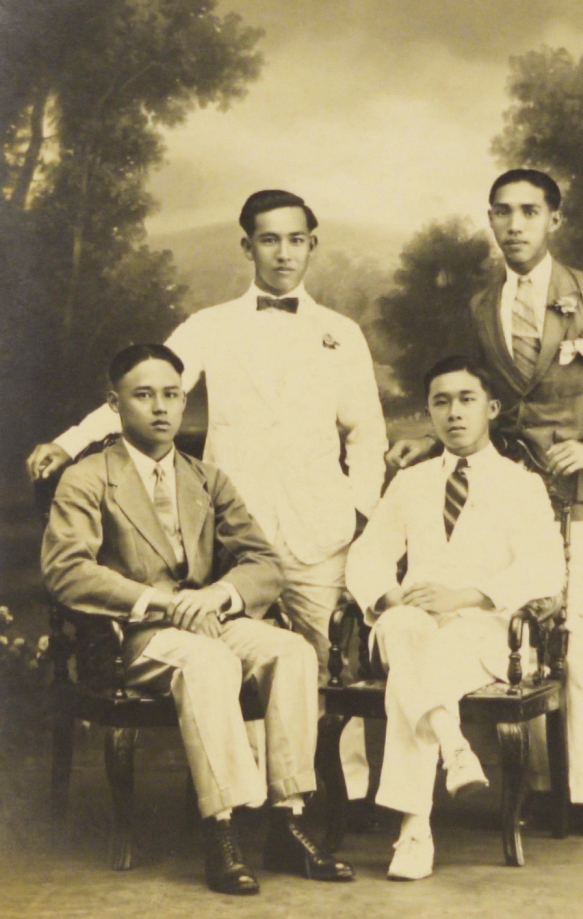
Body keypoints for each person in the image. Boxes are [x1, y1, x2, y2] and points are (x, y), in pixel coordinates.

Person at [28, 190, 388, 806]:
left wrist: (358, 510)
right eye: (268, 240)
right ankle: (257, 797)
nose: (283, 253)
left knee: (328, 660)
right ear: (247, 246)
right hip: (232, 532)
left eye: (295, 239)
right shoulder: (209, 326)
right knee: (243, 655)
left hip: (320, 529)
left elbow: (368, 431)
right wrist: (70, 442)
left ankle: (340, 795)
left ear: (311, 245)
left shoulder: (340, 333)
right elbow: (146, 387)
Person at [387, 170, 583, 838]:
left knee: (578, 640)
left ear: (553, 220)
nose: (515, 225)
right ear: (489, 220)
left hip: (576, 493)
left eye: (529, 212)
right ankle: (535, 786)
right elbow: (483, 398)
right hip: (509, 490)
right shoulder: (485, 304)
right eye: (502, 213)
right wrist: (426, 439)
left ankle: (580, 791)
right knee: (515, 628)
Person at [41, 344, 355, 894]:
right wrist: (164, 603)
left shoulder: (206, 479)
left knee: (292, 651)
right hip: (131, 637)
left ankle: (288, 819)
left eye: (172, 395)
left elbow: (263, 561)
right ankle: (223, 830)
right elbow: (68, 572)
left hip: (207, 618)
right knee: (210, 662)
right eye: (143, 396)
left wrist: (218, 597)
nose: (161, 408)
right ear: (114, 404)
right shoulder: (87, 478)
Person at [346, 356, 565, 880]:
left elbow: (545, 568)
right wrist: (388, 598)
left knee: (425, 661)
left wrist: (464, 596)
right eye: (441, 402)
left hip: (487, 631)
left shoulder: (521, 484)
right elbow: (368, 554)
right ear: (429, 412)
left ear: (490, 408)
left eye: (467, 399)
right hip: (413, 622)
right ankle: (454, 745)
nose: (454, 413)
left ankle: (414, 828)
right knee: (403, 631)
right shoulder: (412, 481)